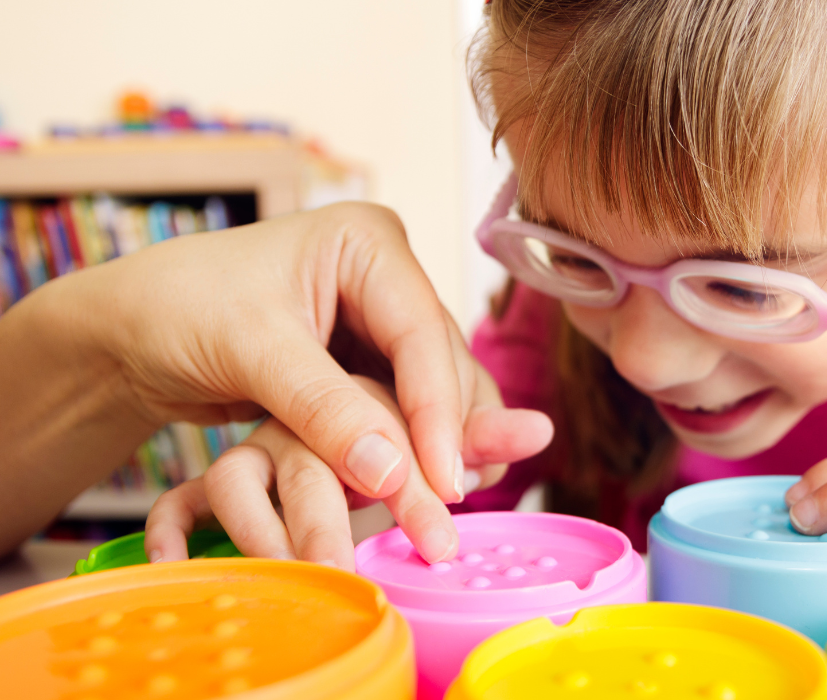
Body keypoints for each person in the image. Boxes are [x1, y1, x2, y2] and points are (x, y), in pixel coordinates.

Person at [148, 0, 827, 656]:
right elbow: (444, 483)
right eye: (573, 252)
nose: (646, 356)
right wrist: (357, 471)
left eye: (744, 285)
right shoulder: (544, 336)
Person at [0, 202, 552, 565]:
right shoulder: (533, 338)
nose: (640, 359)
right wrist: (366, 414)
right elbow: (445, 526)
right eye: (575, 253)